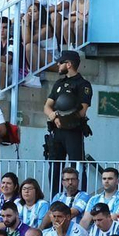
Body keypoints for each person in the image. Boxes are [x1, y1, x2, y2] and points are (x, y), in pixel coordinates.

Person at [44, 50, 92, 182]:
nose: (58, 66)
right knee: (54, 166)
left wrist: (63, 119)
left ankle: (80, 196)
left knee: (77, 166)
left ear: (69, 64)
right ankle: (55, 198)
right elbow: (47, 106)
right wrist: (55, 117)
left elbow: (82, 111)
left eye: (60, 63)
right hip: (56, 130)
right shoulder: (58, 84)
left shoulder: (83, 84)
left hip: (73, 130)